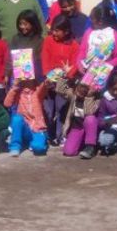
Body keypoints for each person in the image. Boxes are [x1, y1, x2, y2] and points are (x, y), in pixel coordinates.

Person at [41, 15, 79, 143]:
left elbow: (75, 64)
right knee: (48, 110)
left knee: (61, 108)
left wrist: (69, 73)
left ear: (66, 31)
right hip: (49, 81)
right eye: (53, 30)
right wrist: (48, 75)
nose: (54, 33)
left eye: (57, 31)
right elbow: (45, 59)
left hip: (64, 82)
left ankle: (59, 136)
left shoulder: (74, 45)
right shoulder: (48, 41)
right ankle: (48, 135)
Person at [55, 77, 101, 159]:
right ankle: (81, 143)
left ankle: (90, 147)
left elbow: (89, 112)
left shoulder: (95, 99)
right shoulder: (73, 95)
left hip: (89, 127)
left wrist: (89, 96)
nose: (79, 95)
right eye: (77, 91)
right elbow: (59, 90)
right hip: (77, 127)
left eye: (82, 93)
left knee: (90, 119)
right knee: (68, 152)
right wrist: (65, 76)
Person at [4, 78, 49, 157]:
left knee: (39, 148)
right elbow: (7, 104)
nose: (27, 82)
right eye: (24, 81)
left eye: (29, 80)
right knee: (16, 119)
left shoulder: (37, 92)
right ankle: (15, 147)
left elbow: (43, 87)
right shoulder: (18, 93)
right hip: (26, 127)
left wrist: (46, 82)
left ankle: (33, 142)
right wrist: (14, 87)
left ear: (34, 81)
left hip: (37, 128)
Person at [76, 5, 117, 73]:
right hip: (88, 72)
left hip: (106, 74)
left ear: (100, 21)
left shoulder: (113, 34)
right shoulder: (89, 32)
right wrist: (80, 64)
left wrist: (109, 64)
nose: (91, 21)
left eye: (92, 19)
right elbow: (82, 50)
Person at [9, 10, 45, 80]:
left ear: (33, 24)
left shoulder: (39, 40)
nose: (22, 27)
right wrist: (7, 74)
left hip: (34, 77)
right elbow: (10, 58)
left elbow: (39, 60)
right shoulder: (16, 38)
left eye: (25, 24)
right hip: (18, 77)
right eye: (20, 24)